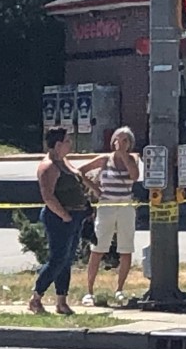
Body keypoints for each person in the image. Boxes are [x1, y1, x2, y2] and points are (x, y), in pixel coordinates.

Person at [29, 127, 96, 315]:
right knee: (57, 259)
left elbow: (78, 176)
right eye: (67, 141)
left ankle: (61, 301)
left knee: (67, 260)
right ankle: (36, 297)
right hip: (59, 218)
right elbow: (48, 196)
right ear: (57, 145)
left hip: (76, 216)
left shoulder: (64, 161)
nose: (70, 144)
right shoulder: (48, 167)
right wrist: (64, 216)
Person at [77, 126, 140, 306]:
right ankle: (89, 291)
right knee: (99, 247)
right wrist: (95, 188)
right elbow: (79, 171)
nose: (120, 143)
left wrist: (124, 156)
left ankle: (119, 289)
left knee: (125, 247)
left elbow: (135, 176)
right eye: (117, 140)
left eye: (124, 140)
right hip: (107, 205)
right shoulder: (105, 160)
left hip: (126, 206)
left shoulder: (132, 158)